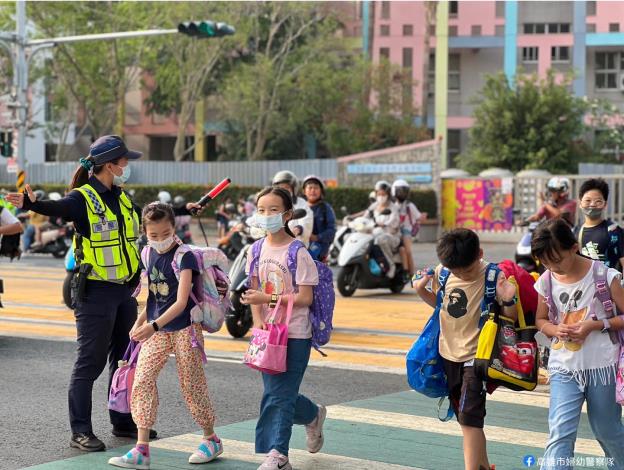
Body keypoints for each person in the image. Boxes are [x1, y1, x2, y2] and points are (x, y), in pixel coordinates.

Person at [6, 135, 201, 452]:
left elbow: (148, 213)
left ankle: (122, 421)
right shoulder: (82, 199)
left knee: (124, 359)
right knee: (89, 363)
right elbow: (58, 208)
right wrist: (31, 204)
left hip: (124, 291)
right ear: (109, 165)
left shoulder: (121, 198)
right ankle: (80, 430)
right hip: (94, 292)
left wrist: (184, 209)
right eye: (124, 161)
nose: (127, 166)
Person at [108, 203, 221, 469]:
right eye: (154, 235)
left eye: (165, 233)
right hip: (157, 328)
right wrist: (139, 323)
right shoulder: (147, 253)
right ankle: (141, 449)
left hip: (184, 328)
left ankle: (211, 438)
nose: (160, 240)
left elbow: (181, 302)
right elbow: (154, 298)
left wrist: (152, 327)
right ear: (145, 233)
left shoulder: (185, 257)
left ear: (174, 228)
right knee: (142, 381)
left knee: (192, 385)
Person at [414, 228, 518, 470]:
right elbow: (442, 307)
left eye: (468, 270)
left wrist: (509, 299)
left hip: (478, 357)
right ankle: (483, 466)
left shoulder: (494, 276)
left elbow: (509, 319)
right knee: (466, 419)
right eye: (457, 271)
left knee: (470, 418)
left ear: (479, 254)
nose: (462, 275)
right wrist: (422, 291)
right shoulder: (443, 273)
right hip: (448, 353)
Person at [241, 187, 325, 470]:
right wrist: (256, 319)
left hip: (296, 333)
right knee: (279, 393)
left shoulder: (297, 252)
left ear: (287, 214)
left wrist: (268, 298)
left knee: (279, 394)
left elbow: (305, 297)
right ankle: (313, 415)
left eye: (273, 210)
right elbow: (253, 289)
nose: (266, 215)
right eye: (261, 209)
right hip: (268, 334)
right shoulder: (255, 249)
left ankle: (279, 455)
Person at [531, 218, 624, 470]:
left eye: (556, 259)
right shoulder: (547, 280)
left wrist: (594, 325)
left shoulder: (605, 275)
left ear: (574, 247)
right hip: (564, 367)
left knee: (607, 430)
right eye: (545, 262)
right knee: (560, 432)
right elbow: (540, 320)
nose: (552, 266)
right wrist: (554, 329)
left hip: (603, 366)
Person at [575, 178, 624, 271]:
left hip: (610, 284)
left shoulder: (614, 231)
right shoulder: (576, 231)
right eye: (588, 200)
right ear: (580, 203)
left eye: (598, 201)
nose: (592, 205)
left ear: (605, 205)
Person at [366, 181, 401, 279]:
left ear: (388, 195)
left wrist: (383, 225)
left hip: (392, 236)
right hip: (376, 233)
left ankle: (391, 266)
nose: (381, 196)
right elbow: (366, 214)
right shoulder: (375, 205)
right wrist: (353, 219)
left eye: (383, 194)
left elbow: (394, 225)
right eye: (379, 194)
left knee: (382, 239)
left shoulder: (393, 208)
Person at [272, 171, 314, 247]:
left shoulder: (301, 203)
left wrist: (299, 229)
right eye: (281, 188)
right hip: (274, 244)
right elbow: (261, 215)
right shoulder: (271, 204)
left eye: (287, 187)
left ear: (294, 189)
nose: (284, 190)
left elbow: (307, 220)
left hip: (297, 246)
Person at [392, 179, 423, 277]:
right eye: (399, 191)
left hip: (406, 231)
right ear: (394, 191)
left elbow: (418, 217)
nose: (402, 194)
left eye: (404, 191)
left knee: (408, 251)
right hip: (393, 231)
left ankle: (411, 274)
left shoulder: (410, 205)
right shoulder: (393, 206)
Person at [302, 175, 336, 262]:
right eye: (310, 187)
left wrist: (316, 237)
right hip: (300, 246)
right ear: (304, 191)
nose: (313, 190)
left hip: (319, 251)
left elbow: (331, 230)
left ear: (321, 191)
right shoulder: (299, 207)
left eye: (316, 188)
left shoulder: (326, 208)